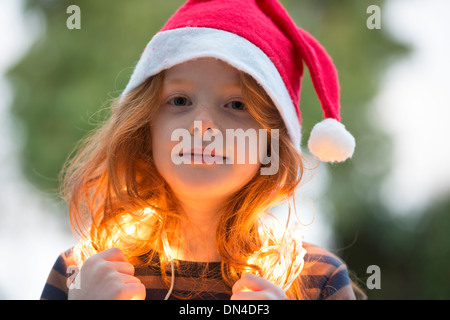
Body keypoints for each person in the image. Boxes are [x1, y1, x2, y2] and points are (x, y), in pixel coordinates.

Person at [41, 0, 361, 300]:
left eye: (236, 104)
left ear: (271, 140)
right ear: (145, 124)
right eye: (180, 100)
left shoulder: (317, 280)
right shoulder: (82, 274)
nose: (202, 126)